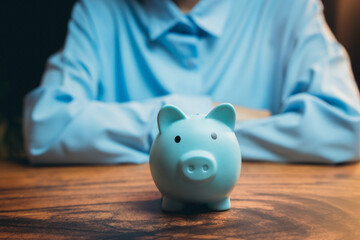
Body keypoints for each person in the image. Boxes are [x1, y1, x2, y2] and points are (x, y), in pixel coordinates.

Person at [23, 0, 360, 165]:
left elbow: (346, 126)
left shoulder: (289, 7)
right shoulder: (99, 11)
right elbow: (46, 127)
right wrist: (209, 115)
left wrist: (179, 136)